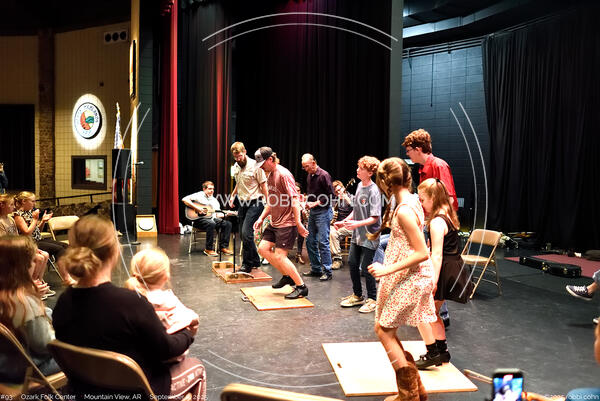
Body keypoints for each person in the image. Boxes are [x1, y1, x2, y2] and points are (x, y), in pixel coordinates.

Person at [53, 215, 206, 400]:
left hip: (84, 392)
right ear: (114, 251)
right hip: (137, 393)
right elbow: (167, 350)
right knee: (197, 367)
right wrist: (188, 333)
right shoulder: (131, 303)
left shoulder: (63, 303)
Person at [367, 157, 437, 401]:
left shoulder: (405, 210)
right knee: (383, 329)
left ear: (385, 183)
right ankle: (415, 391)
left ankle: (408, 395)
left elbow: (422, 252)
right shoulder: (410, 201)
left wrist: (386, 270)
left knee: (384, 331)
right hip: (407, 275)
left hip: (412, 277)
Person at [403, 128, 458, 327]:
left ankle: (439, 315)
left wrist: (438, 223)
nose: (408, 154)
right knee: (429, 264)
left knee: (436, 264)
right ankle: (435, 313)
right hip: (429, 223)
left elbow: (448, 198)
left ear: (418, 149)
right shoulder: (422, 169)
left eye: (409, 150)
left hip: (438, 224)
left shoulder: (438, 165)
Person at [415, 178, 470, 369]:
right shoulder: (447, 213)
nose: (421, 203)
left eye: (423, 199)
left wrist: (433, 280)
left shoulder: (438, 221)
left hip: (445, 270)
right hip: (453, 266)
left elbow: (437, 255)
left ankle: (434, 353)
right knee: (432, 312)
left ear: (433, 197)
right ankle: (442, 352)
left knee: (424, 311)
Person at [0, 235, 60, 383]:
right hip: (29, 369)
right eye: (33, 260)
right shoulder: (24, 301)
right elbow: (45, 345)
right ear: (22, 266)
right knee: (84, 352)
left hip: (6, 365)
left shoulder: (6, 294)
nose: (36, 264)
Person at [252, 147, 309, 299]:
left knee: (280, 256)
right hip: (275, 222)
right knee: (263, 249)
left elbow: (295, 199)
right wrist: (261, 218)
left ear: (271, 159)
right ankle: (287, 276)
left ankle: (301, 287)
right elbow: (271, 202)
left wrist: (298, 223)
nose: (261, 168)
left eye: (262, 164)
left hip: (287, 223)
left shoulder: (284, 175)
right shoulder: (270, 175)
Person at [124, 247, 199, 361]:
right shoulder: (168, 300)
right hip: (167, 358)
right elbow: (192, 318)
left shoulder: (128, 299)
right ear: (166, 277)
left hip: (137, 361)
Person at [335, 156, 382, 314]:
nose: (357, 170)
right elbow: (356, 210)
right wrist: (345, 221)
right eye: (358, 167)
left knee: (367, 268)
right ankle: (358, 295)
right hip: (358, 234)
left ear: (370, 172)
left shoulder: (374, 191)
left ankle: (372, 299)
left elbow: (374, 217)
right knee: (352, 263)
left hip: (370, 235)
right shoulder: (360, 186)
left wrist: (356, 224)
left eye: (361, 168)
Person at [13, 191, 74, 286]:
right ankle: (66, 278)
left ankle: (70, 273)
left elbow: (37, 230)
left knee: (65, 245)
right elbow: (27, 233)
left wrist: (43, 221)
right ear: (24, 201)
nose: (34, 204)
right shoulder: (18, 215)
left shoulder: (30, 212)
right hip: (29, 243)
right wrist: (35, 219)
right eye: (32, 201)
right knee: (59, 249)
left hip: (38, 239)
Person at [0, 194, 52, 297]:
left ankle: (37, 283)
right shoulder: (1, 222)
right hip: (8, 251)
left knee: (44, 255)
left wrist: (30, 248)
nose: (14, 207)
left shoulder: (10, 219)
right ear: (2, 206)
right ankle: (29, 286)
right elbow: (5, 242)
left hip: (17, 247)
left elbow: (17, 237)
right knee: (37, 259)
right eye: (11, 204)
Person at [229, 142, 268, 273]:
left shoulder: (256, 166)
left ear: (245, 152)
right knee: (243, 234)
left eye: (239, 156)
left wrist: (268, 202)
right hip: (242, 203)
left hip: (256, 203)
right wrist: (232, 195)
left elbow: (264, 185)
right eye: (235, 157)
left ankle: (247, 264)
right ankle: (256, 260)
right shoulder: (236, 166)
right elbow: (239, 183)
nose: (238, 159)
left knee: (246, 233)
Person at [301, 154, 335, 281]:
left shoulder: (324, 175)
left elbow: (331, 195)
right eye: (304, 167)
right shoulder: (310, 175)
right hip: (314, 212)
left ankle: (327, 271)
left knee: (323, 242)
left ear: (314, 163)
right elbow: (312, 194)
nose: (305, 169)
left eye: (307, 166)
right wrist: (306, 201)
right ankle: (316, 268)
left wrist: (315, 203)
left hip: (323, 212)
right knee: (310, 241)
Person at [182, 181, 233, 257]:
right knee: (211, 223)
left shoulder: (214, 200)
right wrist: (197, 208)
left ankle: (223, 247)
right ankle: (208, 249)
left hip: (212, 219)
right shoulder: (199, 195)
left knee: (227, 224)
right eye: (209, 189)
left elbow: (217, 214)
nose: (212, 190)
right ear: (204, 189)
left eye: (213, 189)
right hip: (199, 220)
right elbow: (184, 199)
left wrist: (226, 214)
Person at [329, 180, 353, 270]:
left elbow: (359, 210)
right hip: (338, 226)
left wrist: (347, 200)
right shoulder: (335, 200)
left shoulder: (352, 198)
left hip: (351, 225)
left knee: (333, 233)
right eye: (336, 192)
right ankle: (333, 258)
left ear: (343, 188)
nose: (338, 192)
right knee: (329, 231)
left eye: (339, 190)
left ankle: (337, 259)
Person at [294, 182, 307, 264]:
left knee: (301, 231)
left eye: (298, 191)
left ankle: (299, 253)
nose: (297, 192)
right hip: (289, 221)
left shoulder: (303, 198)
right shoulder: (288, 197)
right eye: (295, 190)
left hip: (301, 221)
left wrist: (304, 211)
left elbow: (305, 214)